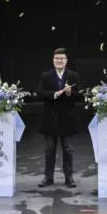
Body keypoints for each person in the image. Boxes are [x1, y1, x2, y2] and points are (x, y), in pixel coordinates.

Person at [36, 47, 82, 188]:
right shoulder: (45, 76)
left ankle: (69, 177)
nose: (59, 60)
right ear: (53, 60)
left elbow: (80, 95)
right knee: (49, 149)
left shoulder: (74, 76)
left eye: (62, 58)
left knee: (68, 149)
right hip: (50, 118)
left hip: (67, 118)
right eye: (57, 58)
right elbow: (40, 93)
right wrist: (54, 94)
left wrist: (69, 93)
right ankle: (48, 177)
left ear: (66, 60)